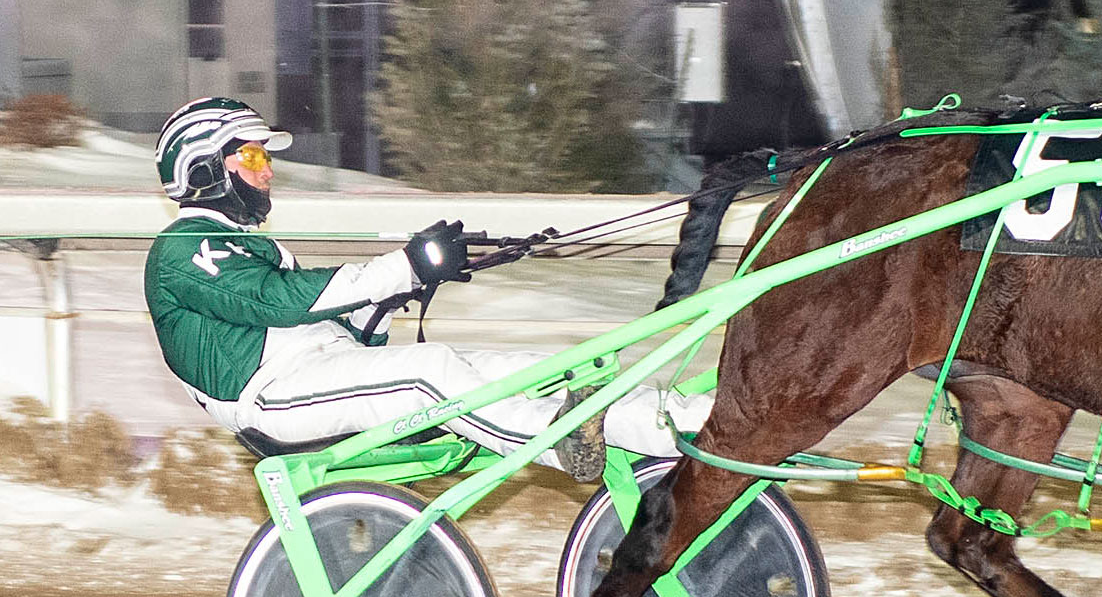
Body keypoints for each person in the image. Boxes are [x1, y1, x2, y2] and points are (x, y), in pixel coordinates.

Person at [144, 96, 706, 480]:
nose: (267, 171)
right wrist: (404, 267)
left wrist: (401, 290)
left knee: (531, 370)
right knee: (429, 372)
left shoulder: (244, 246)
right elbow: (279, 301)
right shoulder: (181, 251)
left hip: (309, 376)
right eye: (254, 156)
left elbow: (339, 333)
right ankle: (560, 443)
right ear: (203, 168)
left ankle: (695, 424)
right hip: (269, 402)